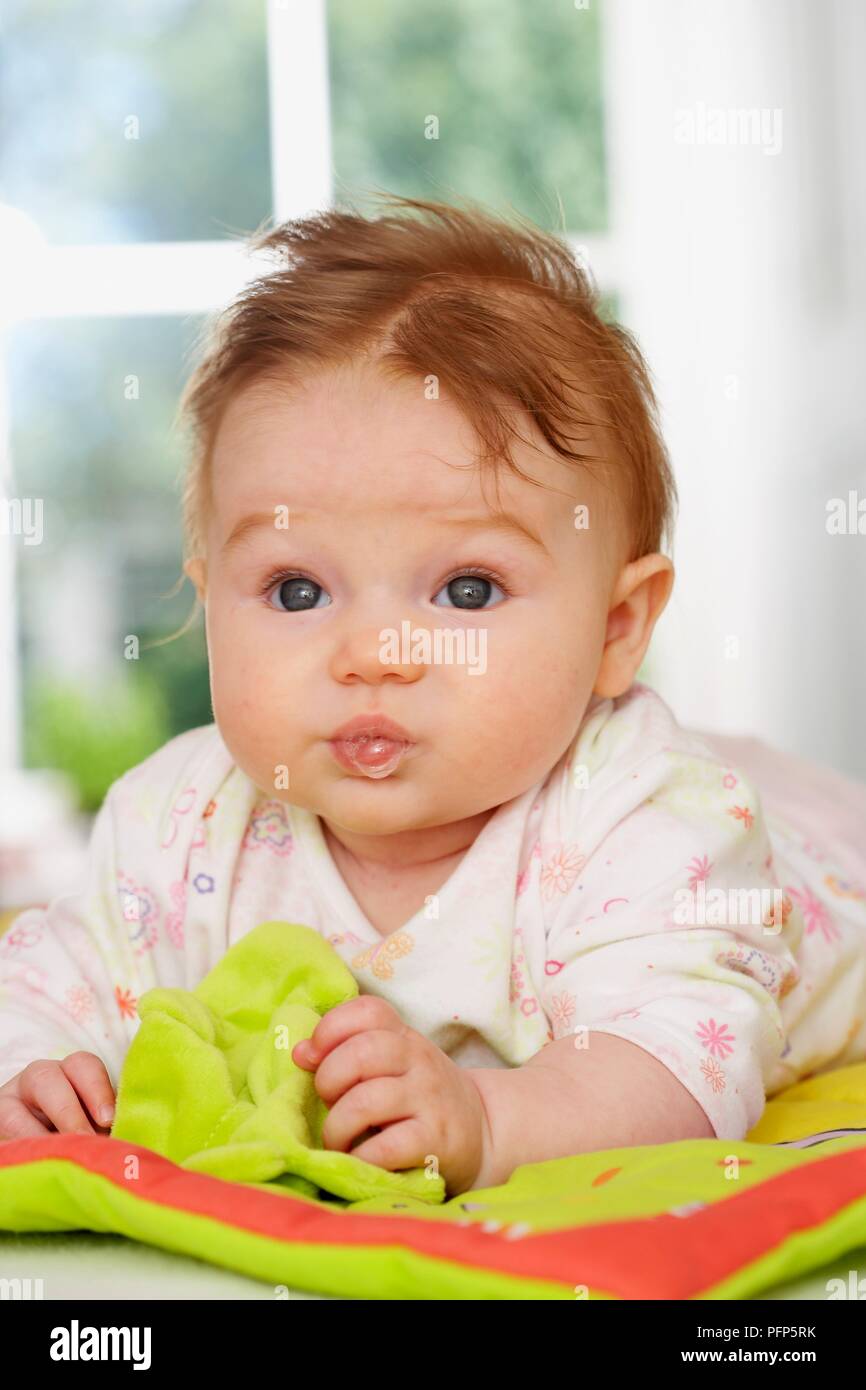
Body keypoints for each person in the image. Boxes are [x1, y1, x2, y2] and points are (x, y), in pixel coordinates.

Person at [1, 195, 864, 1197]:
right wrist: (36, 1068)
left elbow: (680, 1062)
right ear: (210, 599)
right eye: (296, 590)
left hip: (812, 857)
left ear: (615, 629)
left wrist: (489, 1119)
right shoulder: (179, 823)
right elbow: (52, 976)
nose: (374, 653)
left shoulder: (650, 820)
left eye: (465, 590)